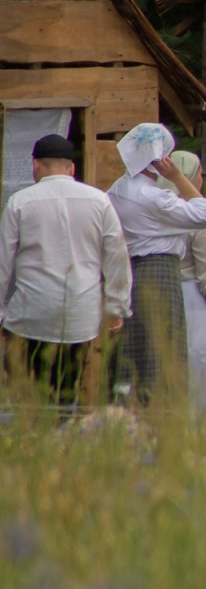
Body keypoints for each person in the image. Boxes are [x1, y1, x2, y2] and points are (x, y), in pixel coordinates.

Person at [0, 134, 131, 405]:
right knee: (65, 392)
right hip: (79, 315)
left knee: (23, 392)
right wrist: (116, 305)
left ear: (36, 165)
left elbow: (3, 261)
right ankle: (61, 425)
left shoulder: (20, 202)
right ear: (72, 168)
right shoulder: (99, 201)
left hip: (31, 313)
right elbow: (117, 256)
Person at [107, 123, 206, 404]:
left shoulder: (116, 190)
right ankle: (159, 413)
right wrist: (178, 177)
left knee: (134, 349)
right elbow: (204, 215)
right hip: (160, 272)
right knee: (162, 349)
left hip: (131, 271)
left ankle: (129, 412)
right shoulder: (154, 197)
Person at [157, 151, 206, 412]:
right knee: (199, 366)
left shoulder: (156, 211)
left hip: (160, 295)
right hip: (192, 302)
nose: (202, 177)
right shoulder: (196, 215)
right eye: (199, 172)